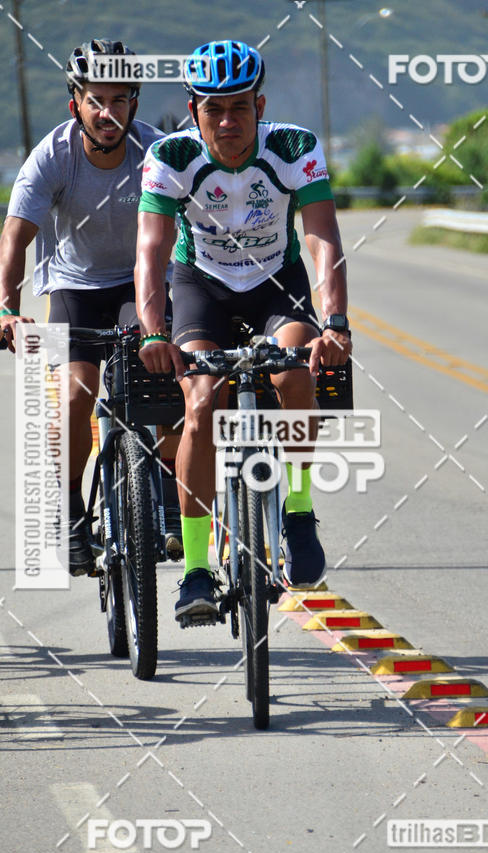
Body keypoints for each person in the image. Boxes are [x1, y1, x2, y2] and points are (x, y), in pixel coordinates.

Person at [135, 39, 351, 621]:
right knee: (201, 404)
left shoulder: (293, 147)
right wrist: (153, 332)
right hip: (200, 286)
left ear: (260, 105)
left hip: (276, 285)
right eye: (214, 109)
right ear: (193, 110)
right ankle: (196, 570)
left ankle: (298, 512)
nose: (227, 121)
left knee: (297, 375)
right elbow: (151, 250)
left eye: (239, 107)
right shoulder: (172, 156)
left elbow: (322, 235)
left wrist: (335, 322)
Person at [0, 38, 182, 576]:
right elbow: (15, 237)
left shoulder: (155, 152)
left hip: (138, 285)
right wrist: (7, 310)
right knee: (74, 393)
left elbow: (195, 225)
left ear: (134, 103)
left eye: (119, 100)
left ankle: (170, 501)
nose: (108, 113)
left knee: (163, 382)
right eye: (95, 101)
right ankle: (72, 515)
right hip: (74, 286)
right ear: (74, 104)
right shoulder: (52, 157)